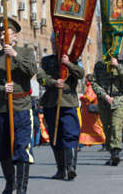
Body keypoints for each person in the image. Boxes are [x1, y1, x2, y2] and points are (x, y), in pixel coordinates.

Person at [0, 17, 37, 194]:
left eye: (6, 34)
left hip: (21, 107)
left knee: (22, 149)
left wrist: (14, 55)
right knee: (2, 150)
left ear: (15, 37)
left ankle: (22, 189)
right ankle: (10, 182)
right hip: (1, 109)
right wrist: (2, 88)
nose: (2, 37)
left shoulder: (26, 52)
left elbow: (31, 71)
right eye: (0, 34)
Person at [37, 33, 84, 180]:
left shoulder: (73, 59)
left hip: (68, 102)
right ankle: (60, 169)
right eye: (53, 42)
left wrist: (68, 63)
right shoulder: (46, 61)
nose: (55, 45)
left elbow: (81, 74)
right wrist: (53, 82)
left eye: (58, 42)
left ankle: (71, 167)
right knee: (54, 137)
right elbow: (40, 77)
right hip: (51, 102)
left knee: (70, 134)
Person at [92, 57, 123, 166]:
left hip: (118, 100)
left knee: (116, 127)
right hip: (104, 102)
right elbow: (94, 83)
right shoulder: (99, 65)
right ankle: (111, 152)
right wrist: (104, 96)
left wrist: (117, 66)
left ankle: (116, 153)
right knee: (107, 128)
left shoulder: (122, 64)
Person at [79, 74, 106, 146]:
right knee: (86, 128)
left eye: (85, 80)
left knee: (96, 128)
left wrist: (82, 97)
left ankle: (105, 142)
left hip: (91, 113)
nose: (85, 82)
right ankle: (81, 143)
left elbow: (89, 98)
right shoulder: (90, 87)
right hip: (87, 114)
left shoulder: (91, 87)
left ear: (88, 81)